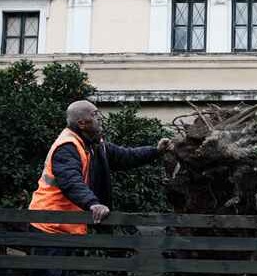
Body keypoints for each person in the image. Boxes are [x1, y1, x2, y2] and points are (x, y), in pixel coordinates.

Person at [29, 99, 170, 233]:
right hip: (49, 223)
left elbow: (126, 156)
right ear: (82, 123)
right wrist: (93, 203)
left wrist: (156, 151)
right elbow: (71, 182)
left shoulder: (93, 144)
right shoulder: (67, 147)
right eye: (95, 115)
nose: (100, 118)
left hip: (66, 223)